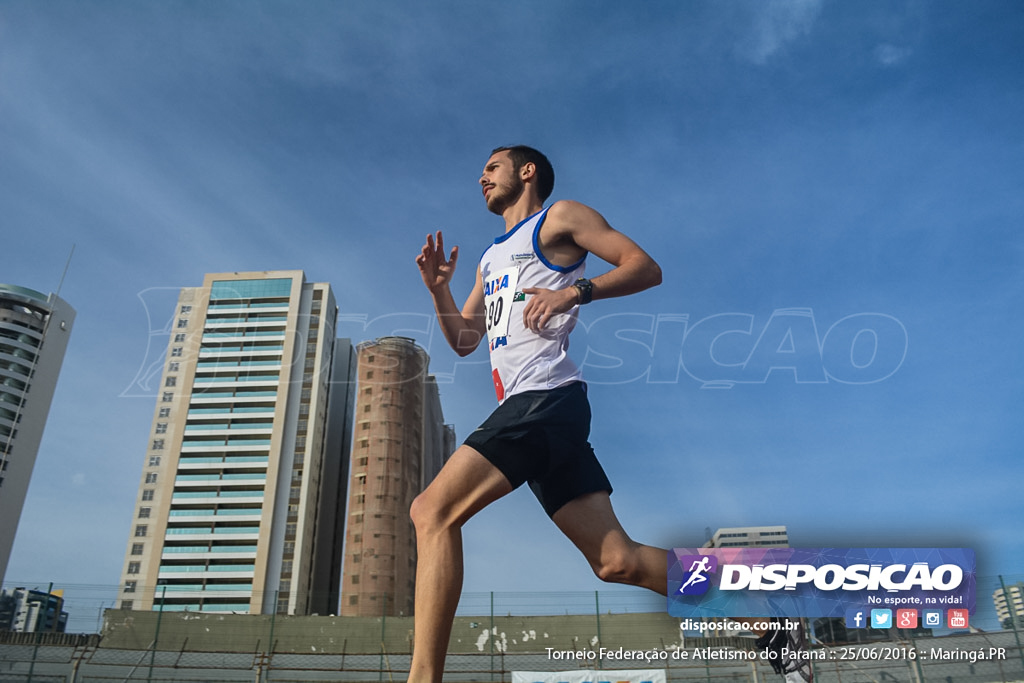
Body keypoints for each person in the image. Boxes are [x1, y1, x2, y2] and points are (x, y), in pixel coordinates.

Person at [410, 145, 811, 683]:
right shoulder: (489, 258)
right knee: (616, 561)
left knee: (431, 512)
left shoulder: (561, 218)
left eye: (492, 167)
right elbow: (464, 338)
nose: (480, 177)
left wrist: (573, 292)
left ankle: (422, 679)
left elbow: (645, 267)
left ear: (526, 172)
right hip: (540, 411)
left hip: (545, 399)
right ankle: (763, 620)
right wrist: (440, 290)